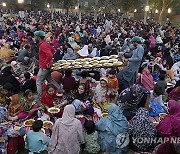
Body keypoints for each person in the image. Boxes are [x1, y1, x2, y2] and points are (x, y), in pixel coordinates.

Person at [34, 30, 61, 98]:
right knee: (50, 80)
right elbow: (53, 50)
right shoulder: (46, 43)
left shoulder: (43, 45)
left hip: (44, 67)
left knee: (38, 82)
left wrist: (46, 62)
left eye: (35, 37)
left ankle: (40, 97)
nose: (34, 38)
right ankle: (61, 90)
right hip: (46, 66)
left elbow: (50, 55)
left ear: (39, 37)